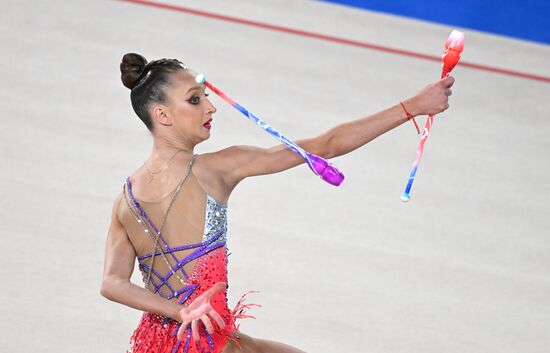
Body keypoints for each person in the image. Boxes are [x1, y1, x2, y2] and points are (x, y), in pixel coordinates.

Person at [100, 53, 455, 353]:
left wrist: (178, 313)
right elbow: (326, 144)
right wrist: (413, 107)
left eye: (207, 96)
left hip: (163, 344)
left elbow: (112, 283)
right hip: (204, 343)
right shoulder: (216, 169)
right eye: (195, 99)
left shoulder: (125, 199)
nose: (210, 107)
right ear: (162, 115)